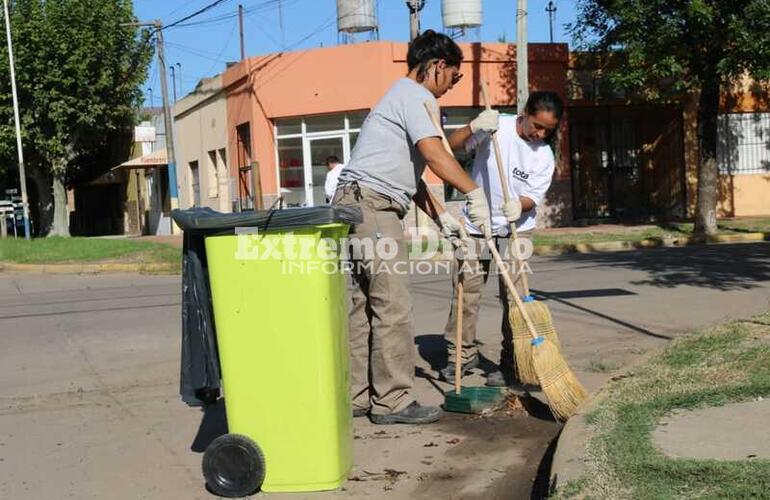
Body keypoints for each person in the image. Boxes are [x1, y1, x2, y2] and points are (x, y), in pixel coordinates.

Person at [332, 30, 499, 425]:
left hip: (355, 202)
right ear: (438, 66)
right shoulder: (417, 96)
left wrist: (441, 217)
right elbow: (435, 153)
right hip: (372, 206)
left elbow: (413, 175)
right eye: (454, 78)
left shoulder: (397, 97)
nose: (450, 87)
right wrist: (474, 193)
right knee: (392, 304)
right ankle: (392, 402)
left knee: (364, 306)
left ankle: (357, 395)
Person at [439, 91, 564, 387]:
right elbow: (448, 150)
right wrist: (474, 127)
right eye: (537, 125)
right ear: (525, 113)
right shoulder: (496, 128)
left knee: (515, 297)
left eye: (548, 130)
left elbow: (533, 197)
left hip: (516, 230)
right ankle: (461, 355)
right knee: (466, 294)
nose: (540, 133)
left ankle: (512, 360)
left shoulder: (544, 155)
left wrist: (518, 205)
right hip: (476, 225)